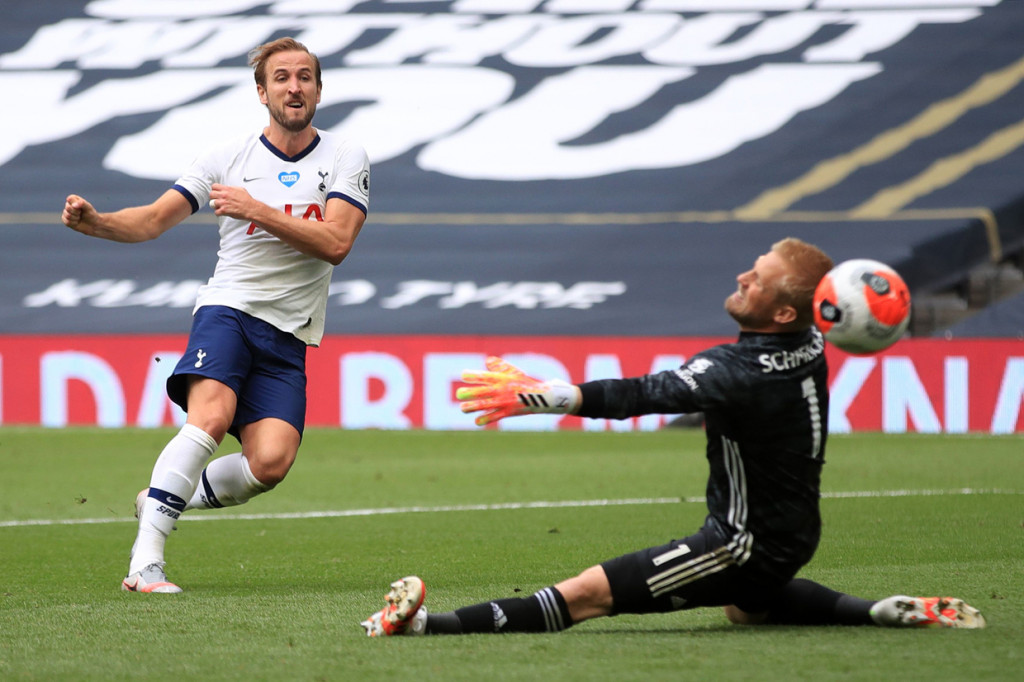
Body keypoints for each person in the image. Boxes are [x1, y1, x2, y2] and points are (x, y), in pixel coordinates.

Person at [360, 237, 985, 635]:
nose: (744, 276)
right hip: (793, 534)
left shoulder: (736, 372)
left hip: (739, 544)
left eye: (759, 280)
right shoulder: (814, 343)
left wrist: (548, 394)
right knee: (747, 607)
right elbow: (838, 307)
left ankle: (424, 629)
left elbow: (645, 394)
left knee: (584, 596)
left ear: (786, 314)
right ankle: (875, 611)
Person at [61, 37, 370, 593]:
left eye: (305, 77)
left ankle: (159, 497)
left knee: (269, 464)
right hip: (227, 310)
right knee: (210, 418)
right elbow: (154, 220)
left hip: (290, 334)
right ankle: (145, 563)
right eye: (281, 78)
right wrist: (98, 222)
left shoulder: (345, 156)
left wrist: (256, 209)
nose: (294, 86)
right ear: (262, 92)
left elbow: (336, 242)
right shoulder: (226, 156)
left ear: (319, 90)